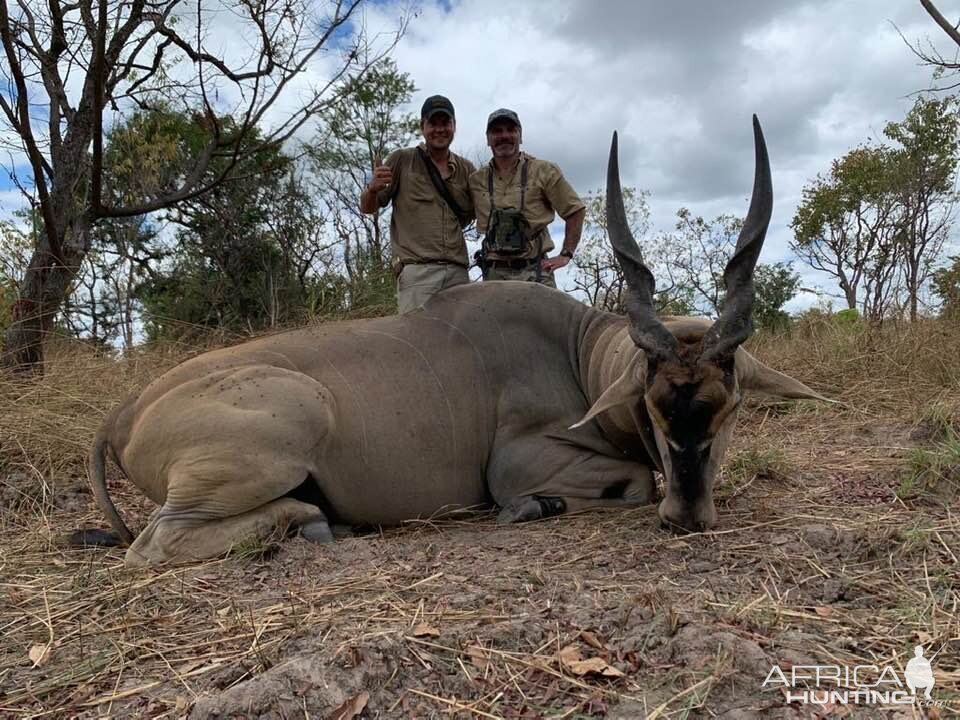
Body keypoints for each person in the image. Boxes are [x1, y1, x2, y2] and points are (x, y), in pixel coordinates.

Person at [359, 95, 475, 314]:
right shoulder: (402, 160)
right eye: (433, 123)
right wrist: (372, 188)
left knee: (460, 345)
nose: (439, 129)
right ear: (423, 126)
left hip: (458, 273)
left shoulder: (467, 169)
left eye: (445, 123)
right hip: (417, 274)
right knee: (416, 345)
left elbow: (486, 207)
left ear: (454, 126)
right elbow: (367, 208)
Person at [469, 108, 585, 287]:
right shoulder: (476, 180)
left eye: (511, 130)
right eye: (497, 131)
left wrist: (566, 254)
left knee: (546, 316)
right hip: (494, 274)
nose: (504, 136)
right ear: (488, 139)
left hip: (535, 271)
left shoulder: (544, 170)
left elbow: (575, 210)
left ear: (520, 136)